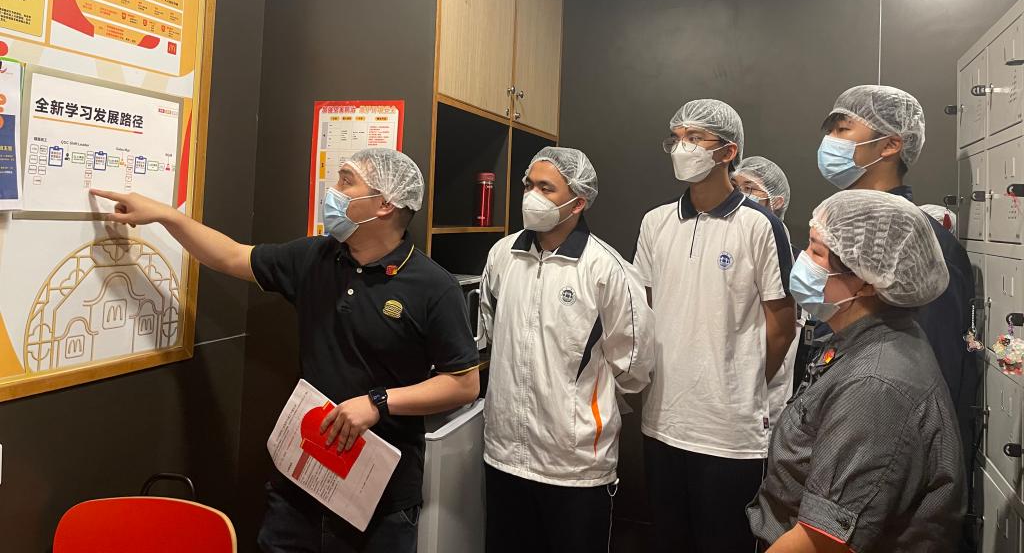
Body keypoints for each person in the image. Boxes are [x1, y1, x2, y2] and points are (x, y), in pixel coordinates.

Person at [91, 147, 480, 553]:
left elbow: (463, 384)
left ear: (385, 204)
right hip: (300, 486)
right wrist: (166, 215)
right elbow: (231, 256)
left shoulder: (433, 286)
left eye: (346, 181)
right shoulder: (315, 256)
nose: (333, 190)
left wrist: (377, 403)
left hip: (380, 502)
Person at [748, 190, 965, 552]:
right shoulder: (863, 339)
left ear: (867, 280)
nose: (803, 261)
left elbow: (823, 540)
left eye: (817, 252)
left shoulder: (875, 384)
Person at [635, 99, 796, 552]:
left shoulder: (760, 225)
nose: (682, 148)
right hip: (663, 420)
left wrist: (742, 383)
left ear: (728, 151)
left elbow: (781, 325)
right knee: (669, 540)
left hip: (729, 433)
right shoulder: (656, 222)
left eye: (695, 138)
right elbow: (644, 308)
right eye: (677, 138)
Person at [481, 147, 654, 553]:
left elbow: (633, 365)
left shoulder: (606, 269)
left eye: (546, 188)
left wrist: (579, 411)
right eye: (528, 185)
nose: (532, 196)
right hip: (504, 454)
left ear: (578, 202)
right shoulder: (503, 255)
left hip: (574, 466)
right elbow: (488, 331)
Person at [817, 86, 978, 485]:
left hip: (879, 466)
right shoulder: (841, 232)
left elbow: (930, 381)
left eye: (842, 130)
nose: (829, 142)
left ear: (890, 144)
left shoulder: (919, 244)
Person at [732, 155, 803, 418]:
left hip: (764, 393)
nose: (740, 194)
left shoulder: (793, 260)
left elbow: (783, 333)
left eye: (749, 188)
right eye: (735, 186)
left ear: (777, 201)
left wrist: (753, 386)